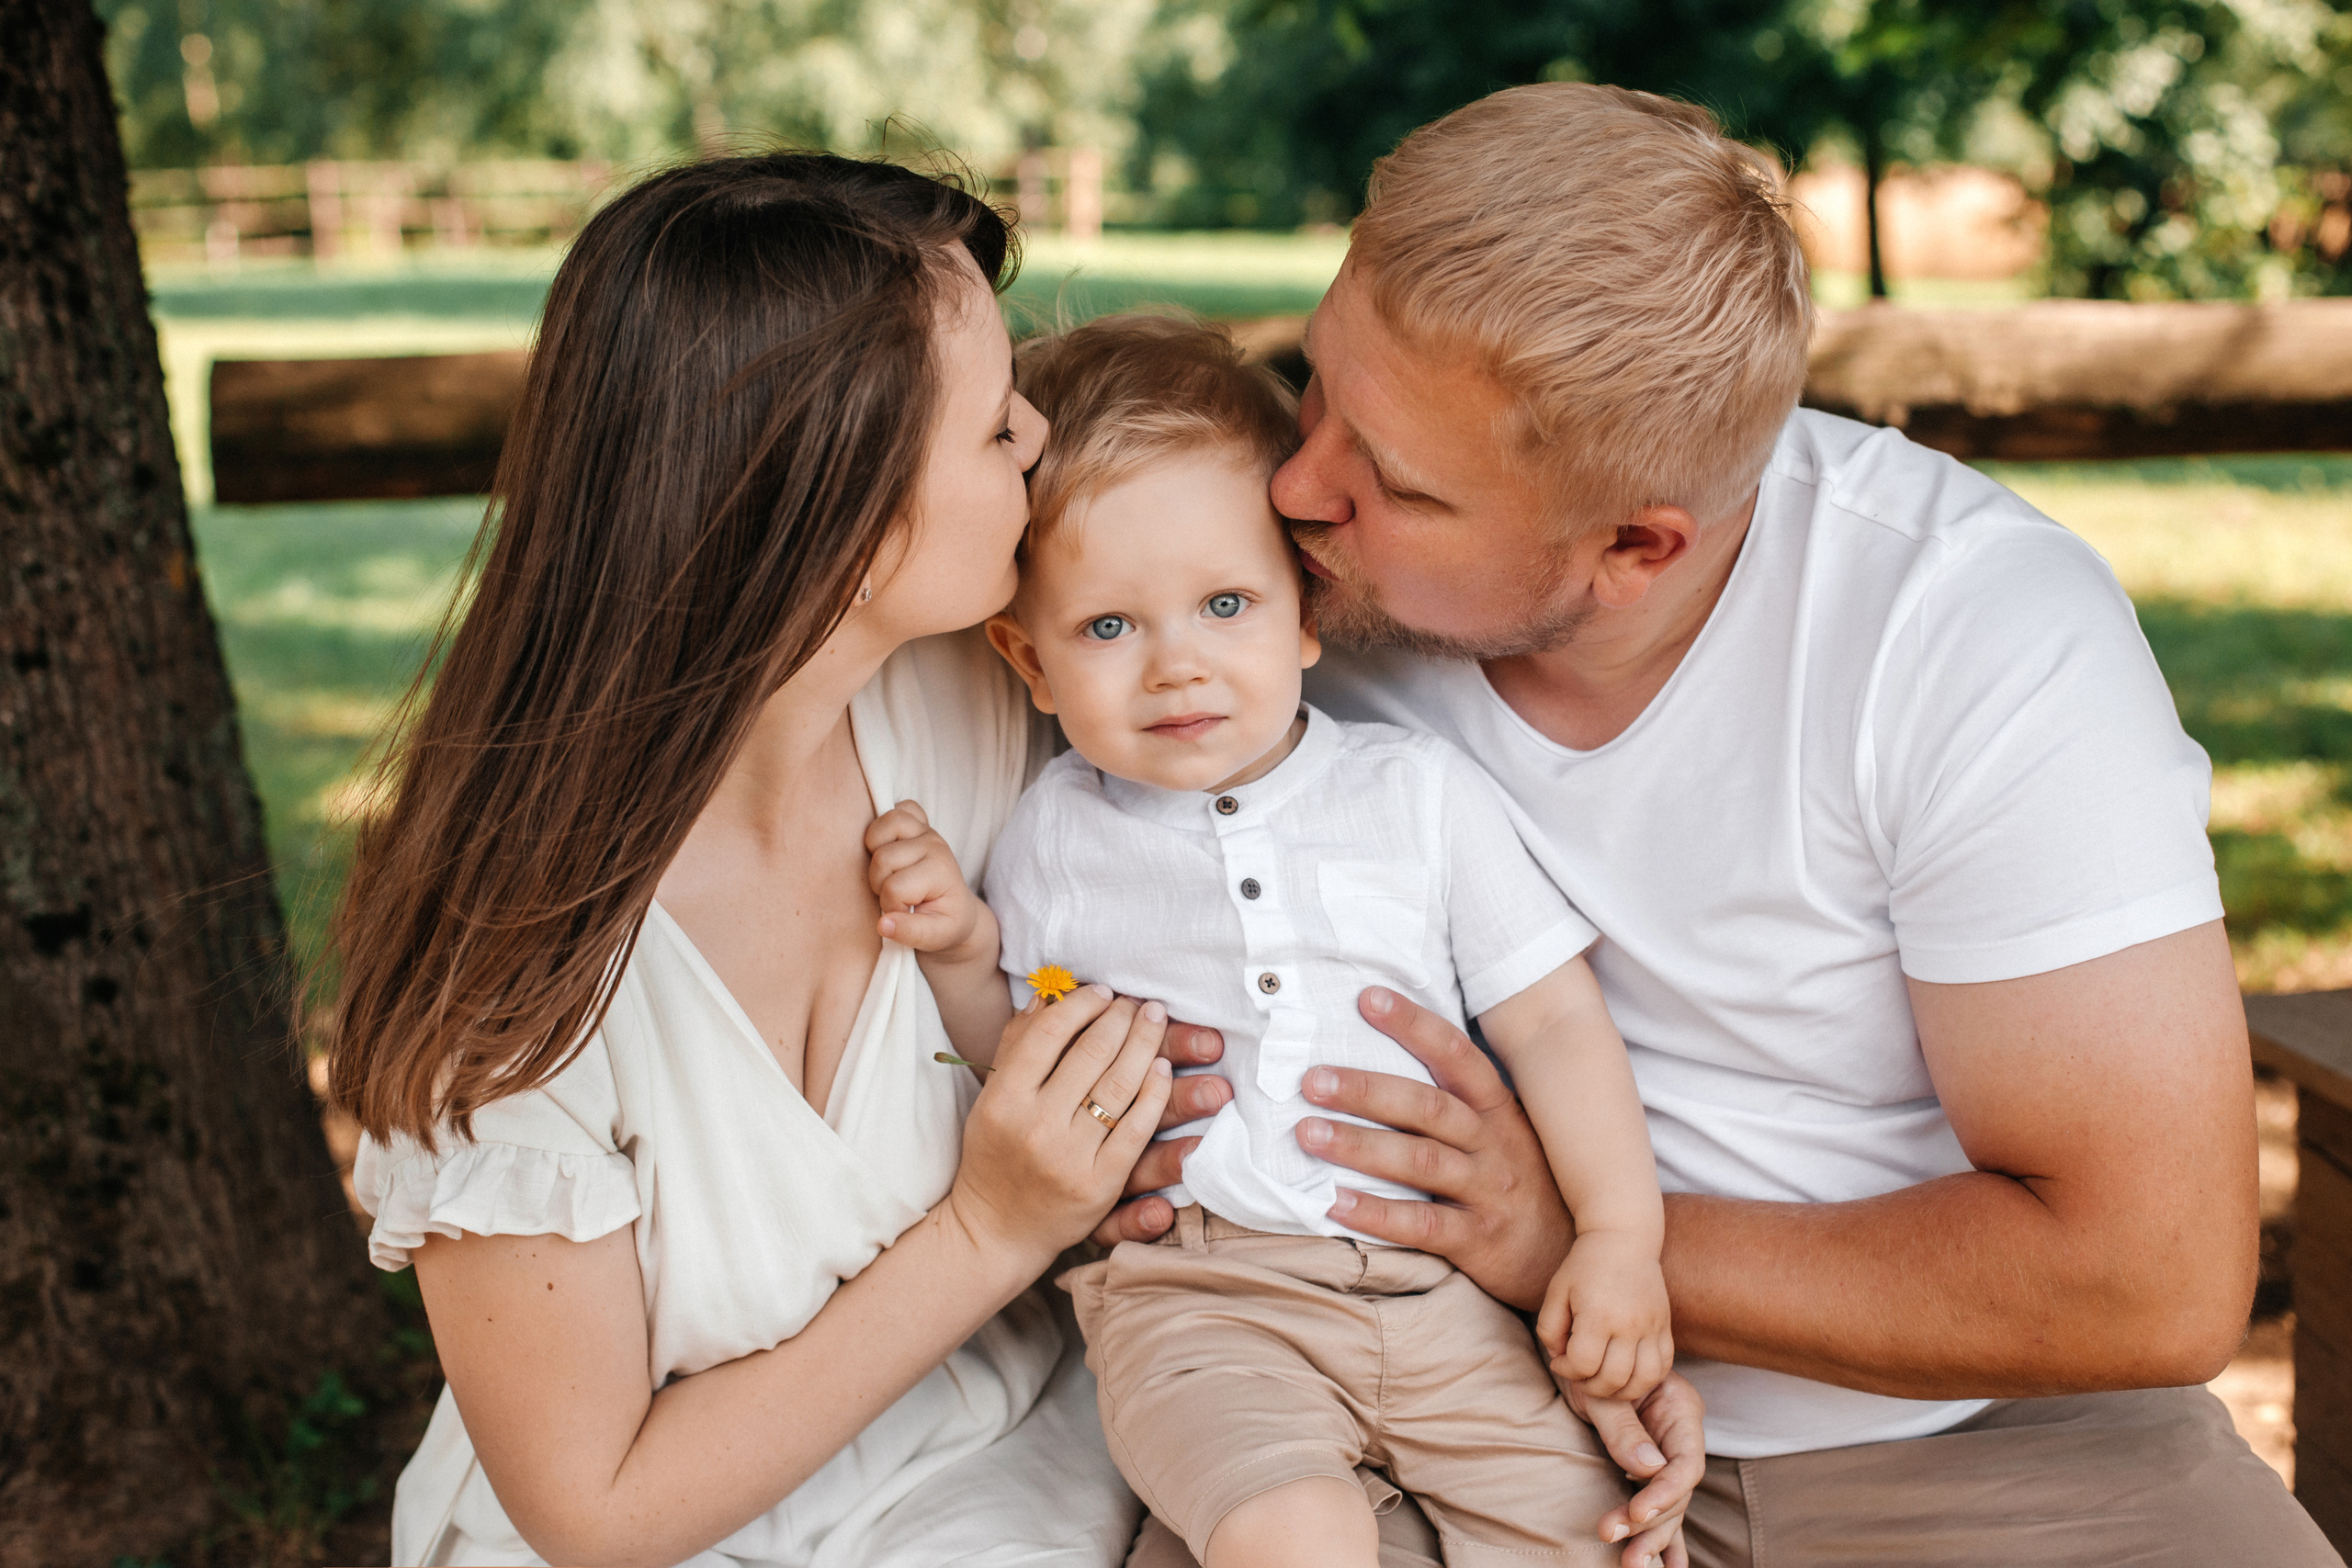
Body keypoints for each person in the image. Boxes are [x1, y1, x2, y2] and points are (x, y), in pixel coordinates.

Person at [1086, 84, 2340, 1568]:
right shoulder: (1241, 590)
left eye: (1399, 486)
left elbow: (2150, 1278)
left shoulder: (1964, 631)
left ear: (1636, 546)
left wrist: (1575, 1236)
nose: (1298, 489)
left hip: (1956, 1436)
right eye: (1315, 381)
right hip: (1401, 1399)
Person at [325, 152, 1183, 1567]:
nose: (1038, 433)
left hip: (1002, 1482)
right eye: (989, 429)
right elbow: (596, 1510)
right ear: (834, 516)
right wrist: (993, 1228)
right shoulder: (517, 954)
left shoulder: (994, 706)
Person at [866, 311, 1674, 1566]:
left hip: (1440, 1298)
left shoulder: (1416, 797)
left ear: (1307, 614)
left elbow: (1557, 1023)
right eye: (1109, 629)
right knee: (1293, 1538)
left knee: (1595, 1534)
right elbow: (1027, 1062)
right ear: (1030, 662)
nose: (1176, 668)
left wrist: (1620, 1240)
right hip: (1198, 1303)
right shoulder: (1053, 839)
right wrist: (964, 952)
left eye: (1224, 604)